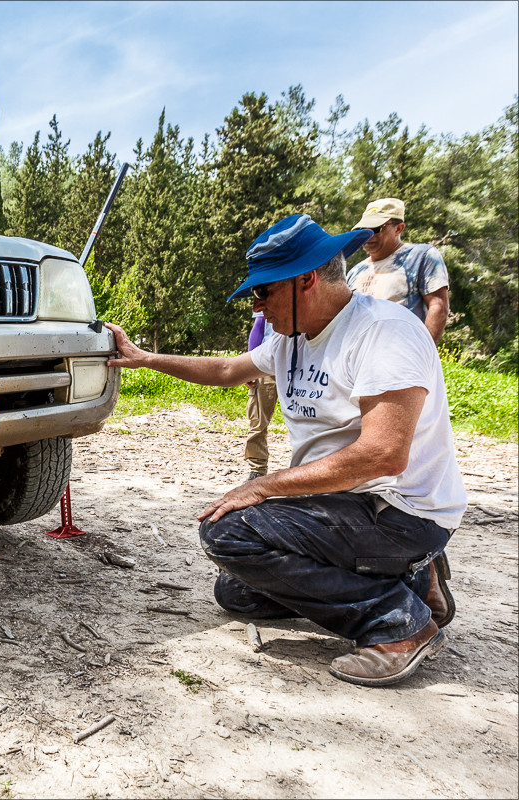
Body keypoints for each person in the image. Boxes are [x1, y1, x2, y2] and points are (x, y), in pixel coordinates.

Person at [106, 213, 466, 687]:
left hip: (399, 510)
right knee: (238, 593)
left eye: (263, 292)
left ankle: (398, 624)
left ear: (307, 279)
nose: (257, 307)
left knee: (229, 535)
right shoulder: (290, 339)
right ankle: (413, 579)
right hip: (343, 501)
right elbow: (226, 371)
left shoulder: (384, 333)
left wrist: (263, 487)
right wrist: (145, 359)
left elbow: (383, 455)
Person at [346, 197, 450, 343]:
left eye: (376, 229)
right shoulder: (355, 272)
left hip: (402, 358)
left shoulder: (421, 256)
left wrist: (423, 354)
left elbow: (438, 306)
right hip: (358, 360)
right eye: (363, 230)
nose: (368, 236)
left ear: (399, 228)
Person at [244, 311, 277, 481]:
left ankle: (309, 468)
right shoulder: (266, 290)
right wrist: (250, 365)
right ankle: (257, 469)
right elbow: (259, 325)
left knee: (307, 416)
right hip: (266, 362)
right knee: (258, 419)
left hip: (301, 359)